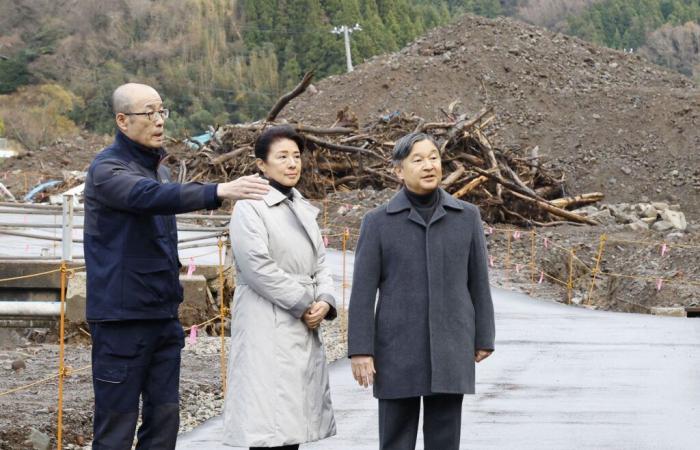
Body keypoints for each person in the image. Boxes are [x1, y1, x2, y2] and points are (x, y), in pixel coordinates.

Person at [83, 82, 270, 450]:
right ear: (123, 120)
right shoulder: (108, 170)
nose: (159, 121)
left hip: (162, 316)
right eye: (148, 113)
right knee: (116, 427)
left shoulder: (160, 171)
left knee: (164, 420)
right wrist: (218, 190)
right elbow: (145, 196)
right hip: (122, 319)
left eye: (162, 111)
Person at [348, 132, 496, 450]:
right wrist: (361, 350)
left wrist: (484, 336)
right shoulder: (378, 223)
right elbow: (361, 293)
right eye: (418, 160)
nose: (429, 166)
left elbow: (479, 283)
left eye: (434, 157)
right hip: (396, 349)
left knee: (444, 440)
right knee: (396, 440)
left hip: (450, 347)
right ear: (399, 171)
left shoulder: (466, 217)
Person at [222, 125, 337, 450]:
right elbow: (257, 266)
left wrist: (325, 301)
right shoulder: (249, 207)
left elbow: (320, 264)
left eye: (296, 156)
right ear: (262, 164)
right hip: (266, 320)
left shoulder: (301, 206)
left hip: (303, 323)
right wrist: (303, 304)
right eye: (282, 157)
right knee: (268, 420)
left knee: (292, 421)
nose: (292, 164)